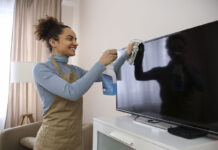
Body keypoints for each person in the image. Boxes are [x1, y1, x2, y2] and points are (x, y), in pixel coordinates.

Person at [33, 16, 134, 150]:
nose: (75, 43)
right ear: (53, 42)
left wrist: (125, 54)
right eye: (70, 38)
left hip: (75, 141)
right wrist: (100, 63)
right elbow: (71, 92)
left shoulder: (74, 70)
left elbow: (105, 75)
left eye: (76, 39)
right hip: (51, 142)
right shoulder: (41, 69)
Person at [134, 34, 204, 120]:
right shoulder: (160, 72)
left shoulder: (192, 70)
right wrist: (139, 55)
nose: (177, 52)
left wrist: (186, 67)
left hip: (188, 121)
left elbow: (201, 87)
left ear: (185, 50)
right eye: (173, 49)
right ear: (168, 52)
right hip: (166, 118)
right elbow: (139, 76)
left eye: (180, 48)